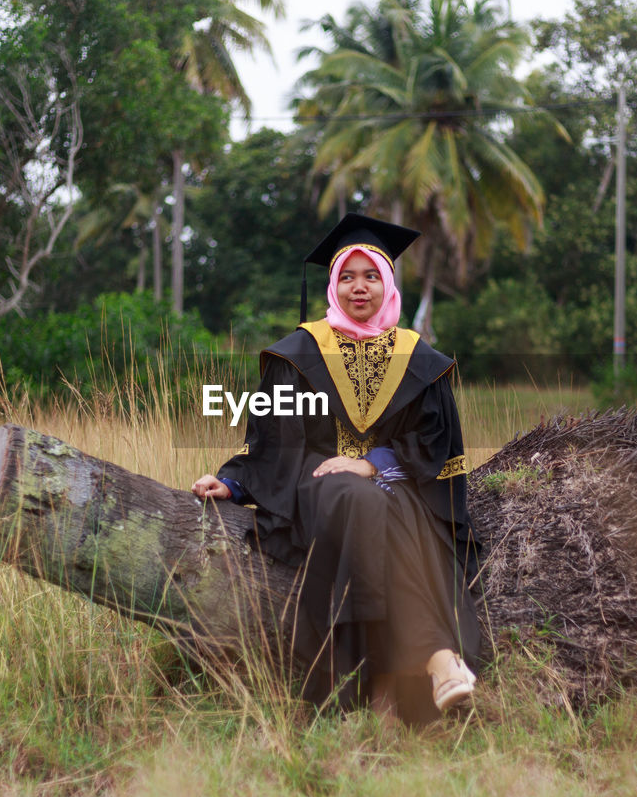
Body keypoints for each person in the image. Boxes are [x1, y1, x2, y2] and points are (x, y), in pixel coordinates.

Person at [191, 213, 481, 723]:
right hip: (317, 485)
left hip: (395, 489)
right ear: (333, 284)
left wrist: (371, 463)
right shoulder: (300, 352)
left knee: (368, 500)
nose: (358, 288)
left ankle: (366, 692)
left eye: (371, 275)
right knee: (349, 493)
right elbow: (273, 439)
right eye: (346, 276)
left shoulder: (418, 359)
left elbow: (434, 445)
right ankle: (439, 659)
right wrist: (234, 482)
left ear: (388, 284)